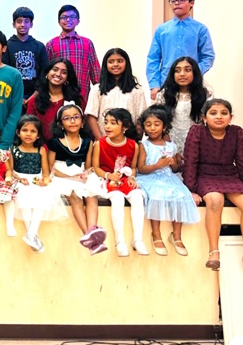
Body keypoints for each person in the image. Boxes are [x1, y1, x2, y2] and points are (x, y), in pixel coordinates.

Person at [183, 99, 243, 271]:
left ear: (230, 117)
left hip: (229, 175)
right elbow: (190, 162)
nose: (219, 117)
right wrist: (191, 190)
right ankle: (214, 252)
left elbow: (241, 161)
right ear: (204, 117)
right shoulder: (197, 131)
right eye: (213, 113)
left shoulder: (237, 132)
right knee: (215, 200)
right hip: (205, 175)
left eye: (224, 113)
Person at [136, 105, 199, 257]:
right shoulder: (143, 145)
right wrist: (158, 165)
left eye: (157, 124)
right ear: (143, 127)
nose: (152, 128)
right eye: (148, 124)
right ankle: (156, 234)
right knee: (156, 196)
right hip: (149, 178)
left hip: (168, 178)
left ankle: (176, 236)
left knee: (181, 196)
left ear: (164, 126)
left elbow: (176, 169)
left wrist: (174, 163)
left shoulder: (171, 146)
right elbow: (141, 168)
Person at [47, 102, 107, 255]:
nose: (72, 121)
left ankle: (92, 229)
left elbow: (88, 166)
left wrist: (84, 174)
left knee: (92, 194)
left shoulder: (87, 142)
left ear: (82, 122)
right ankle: (89, 236)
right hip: (60, 176)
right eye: (67, 118)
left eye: (76, 117)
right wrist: (70, 177)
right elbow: (49, 168)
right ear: (60, 124)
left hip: (79, 175)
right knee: (75, 195)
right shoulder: (55, 142)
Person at [92, 108, 148, 257]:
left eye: (113, 123)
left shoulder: (133, 145)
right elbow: (96, 168)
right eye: (106, 122)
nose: (107, 126)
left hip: (124, 179)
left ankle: (137, 239)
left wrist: (131, 178)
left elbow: (133, 167)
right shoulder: (99, 144)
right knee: (117, 199)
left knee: (137, 197)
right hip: (107, 180)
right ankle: (120, 241)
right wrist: (109, 175)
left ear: (125, 127)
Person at [146, 0, 214, 100]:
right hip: (166, 83)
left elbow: (208, 57)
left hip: (193, 85)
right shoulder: (162, 30)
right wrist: (154, 85)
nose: (177, 3)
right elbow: (153, 58)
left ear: (191, 3)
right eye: (173, 0)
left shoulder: (200, 29)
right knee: (165, 111)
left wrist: (193, 72)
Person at [11, 115, 67, 253]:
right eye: (25, 130)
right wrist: (19, 179)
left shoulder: (40, 150)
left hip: (36, 180)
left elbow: (45, 171)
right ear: (18, 132)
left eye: (33, 131)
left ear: (38, 135)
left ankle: (31, 234)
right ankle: (31, 235)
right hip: (20, 180)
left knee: (43, 197)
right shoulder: (13, 149)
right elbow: (10, 170)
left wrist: (45, 180)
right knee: (23, 198)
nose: (28, 134)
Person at [154, 56, 212, 155]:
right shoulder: (164, 94)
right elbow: (157, 118)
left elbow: (210, 120)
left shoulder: (205, 94)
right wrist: (164, 135)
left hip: (197, 141)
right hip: (169, 140)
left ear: (195, 72)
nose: (182, 74)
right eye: (177, 71)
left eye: (187, 70)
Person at [85, 48, 147, 139]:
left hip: (129, 140)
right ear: (105, 65)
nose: (115, 64)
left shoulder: (137, 90)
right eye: (111, 62)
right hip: (104, 140)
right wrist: (100, 141)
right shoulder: (97, 89)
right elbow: (91, 116)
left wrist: (136, 140)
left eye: (120, 61)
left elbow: (141, 117)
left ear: (126, 63)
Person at [45, 4, 100, 101]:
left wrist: (100, 90)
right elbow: (46, 71)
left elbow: (95, 70)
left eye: (72, 17)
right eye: (64, 17)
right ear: (59, 22)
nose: (68, 20)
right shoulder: (51, 44)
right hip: (58, 95)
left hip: (82, 95)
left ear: (78, 21)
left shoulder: (87, 43)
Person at [26, 58, 85, 141]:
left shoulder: (77, 100)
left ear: (67, 78)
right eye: (55, 70)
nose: (58, 74)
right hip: (41, 147)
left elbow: (84, 128)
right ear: (47, 73)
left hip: (71, 147)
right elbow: (29, 128)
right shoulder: (35, 101)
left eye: (64, 72)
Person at [2, 7, 49, 106]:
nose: (23, 24)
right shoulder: (7, 46)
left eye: (26, 21)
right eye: (19, 21)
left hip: (36, 96)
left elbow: (44, 73)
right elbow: (5, 72)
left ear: (31, 24)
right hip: (12, 95)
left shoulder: (39, 46)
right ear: (14, 24)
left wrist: (35, 95)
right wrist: (17, 96)